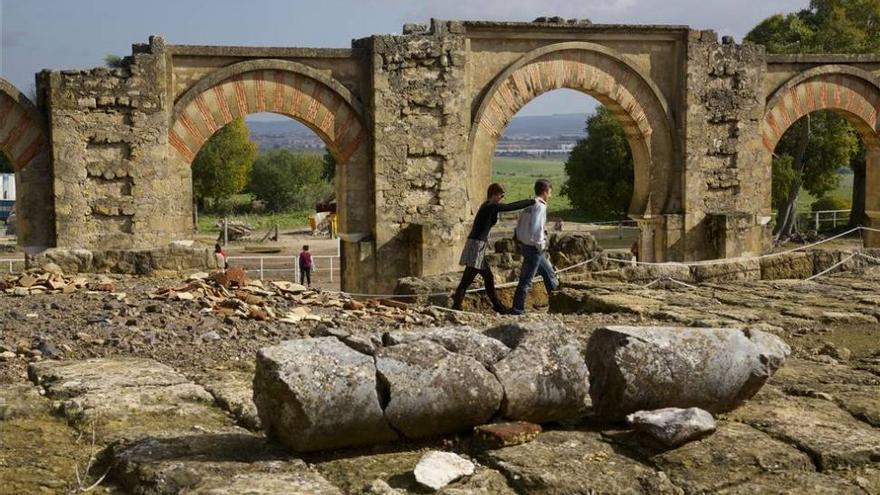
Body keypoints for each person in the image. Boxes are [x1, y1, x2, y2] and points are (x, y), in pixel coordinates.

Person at [451, 183, 535, 313]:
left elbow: (481, 226)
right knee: (467, 279)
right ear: (494, 194)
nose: (502, 197)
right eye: (501, 195)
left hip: (478, 244)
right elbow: (510, 207)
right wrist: (531, 201)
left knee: (487, 278)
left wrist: (486, 240)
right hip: (476, 246)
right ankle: (456, 307)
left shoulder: (486, 206)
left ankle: (497, 306)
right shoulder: (491, 206)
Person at [510, 179, 559, 315]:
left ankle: (558, 303)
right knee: (527, 279)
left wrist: (521, 240)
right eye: (549, 193)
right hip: (535, 248)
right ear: (544, 192)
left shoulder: (529, 205)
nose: (550, 196)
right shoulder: (540, 206)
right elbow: (537, 227)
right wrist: (540, 245)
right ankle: (517, 309)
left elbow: (519, 225)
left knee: (549, 274)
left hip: (526, 245)